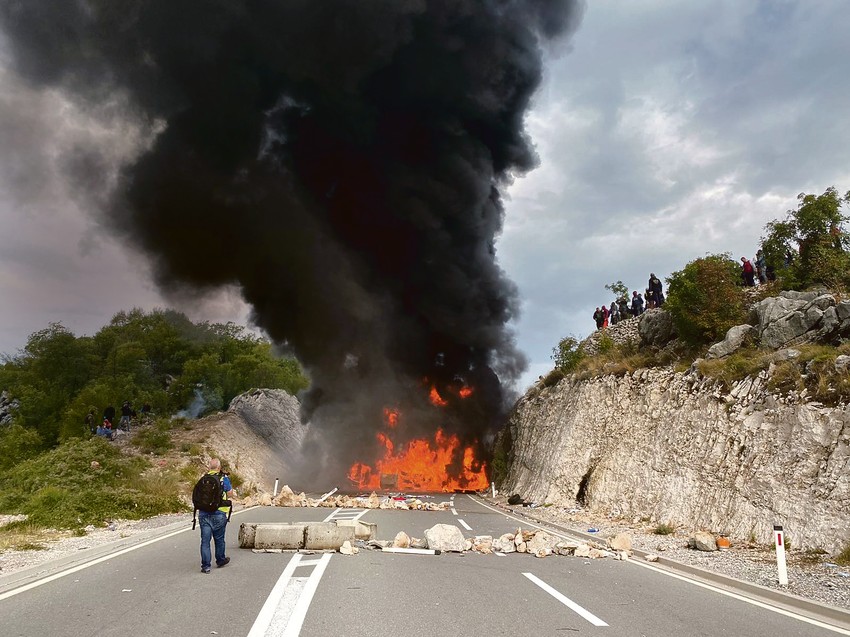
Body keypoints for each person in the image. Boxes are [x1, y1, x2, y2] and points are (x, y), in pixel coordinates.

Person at [198, 458, 233, 574]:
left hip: (204, 514)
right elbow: (230, 494)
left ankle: (206, 566)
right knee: (219, 539)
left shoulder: (203, 479)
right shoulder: (224, 478)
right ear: (219, 467)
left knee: (205, 541)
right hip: (219, 513)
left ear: (209, 467)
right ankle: (220, 560)